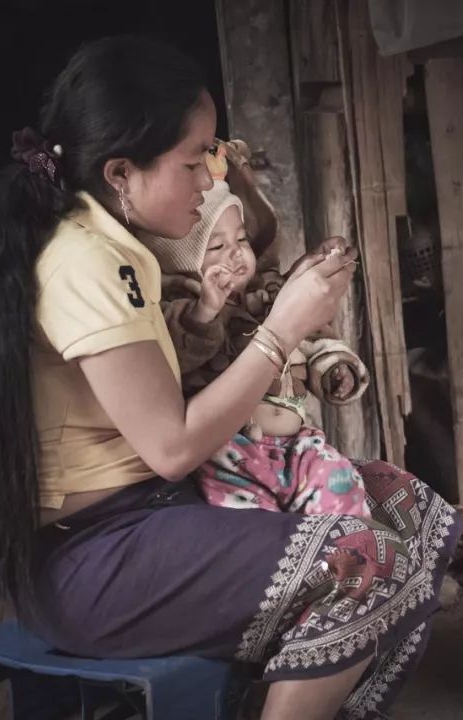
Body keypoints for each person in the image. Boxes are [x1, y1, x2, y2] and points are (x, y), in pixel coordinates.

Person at [0, 35, 460, 720]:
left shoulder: (121, 249)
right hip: (98, 561)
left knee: (411, 514)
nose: (211, 180)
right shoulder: (86, 263)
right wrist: (281, 332)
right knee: (368, 561)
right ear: (122, 173)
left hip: (160, 516)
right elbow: (173, 445)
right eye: (193, 162)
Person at [143, 142, 371, 517]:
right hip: (228, 456)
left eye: (242, 240)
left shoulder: (270, 296)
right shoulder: (181, 313)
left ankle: (343, 564)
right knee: (256, 535)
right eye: (216, 246)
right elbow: (173, 361)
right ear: (185, 265)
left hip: (299, 446)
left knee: (343, 493)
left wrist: (334, 368)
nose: (236, 254)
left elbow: (310, 337)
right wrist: (205, 311)